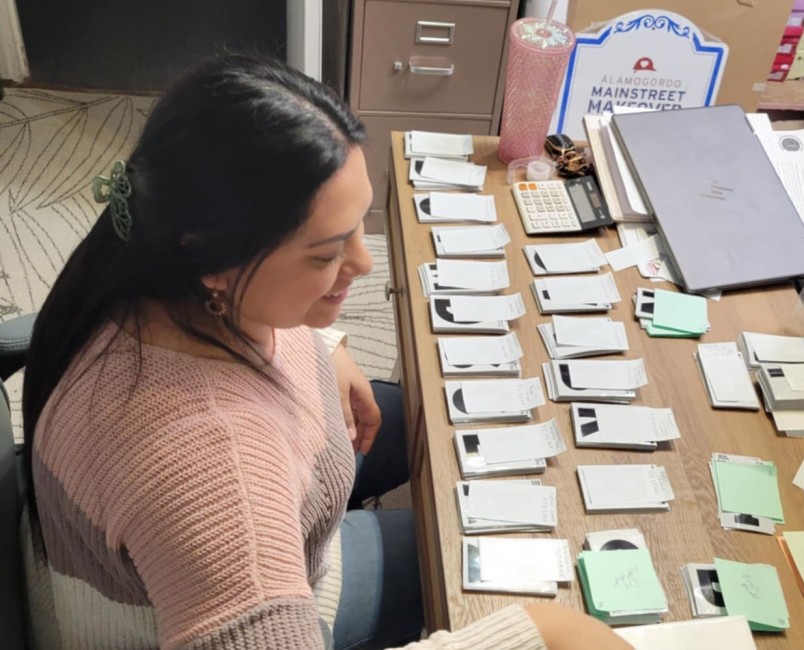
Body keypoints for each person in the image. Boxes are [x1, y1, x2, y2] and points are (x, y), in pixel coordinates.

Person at [19, 54, 632, 650]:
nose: (363, 265)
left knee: (438, 423)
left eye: (359, 225)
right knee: (480, 567)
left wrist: (325, 343)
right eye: (325, 254)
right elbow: (225, 514)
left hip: (264, 483)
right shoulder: (214, 473)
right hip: (215, 595)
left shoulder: (145, 266)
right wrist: (537, 634)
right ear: (209, 257)